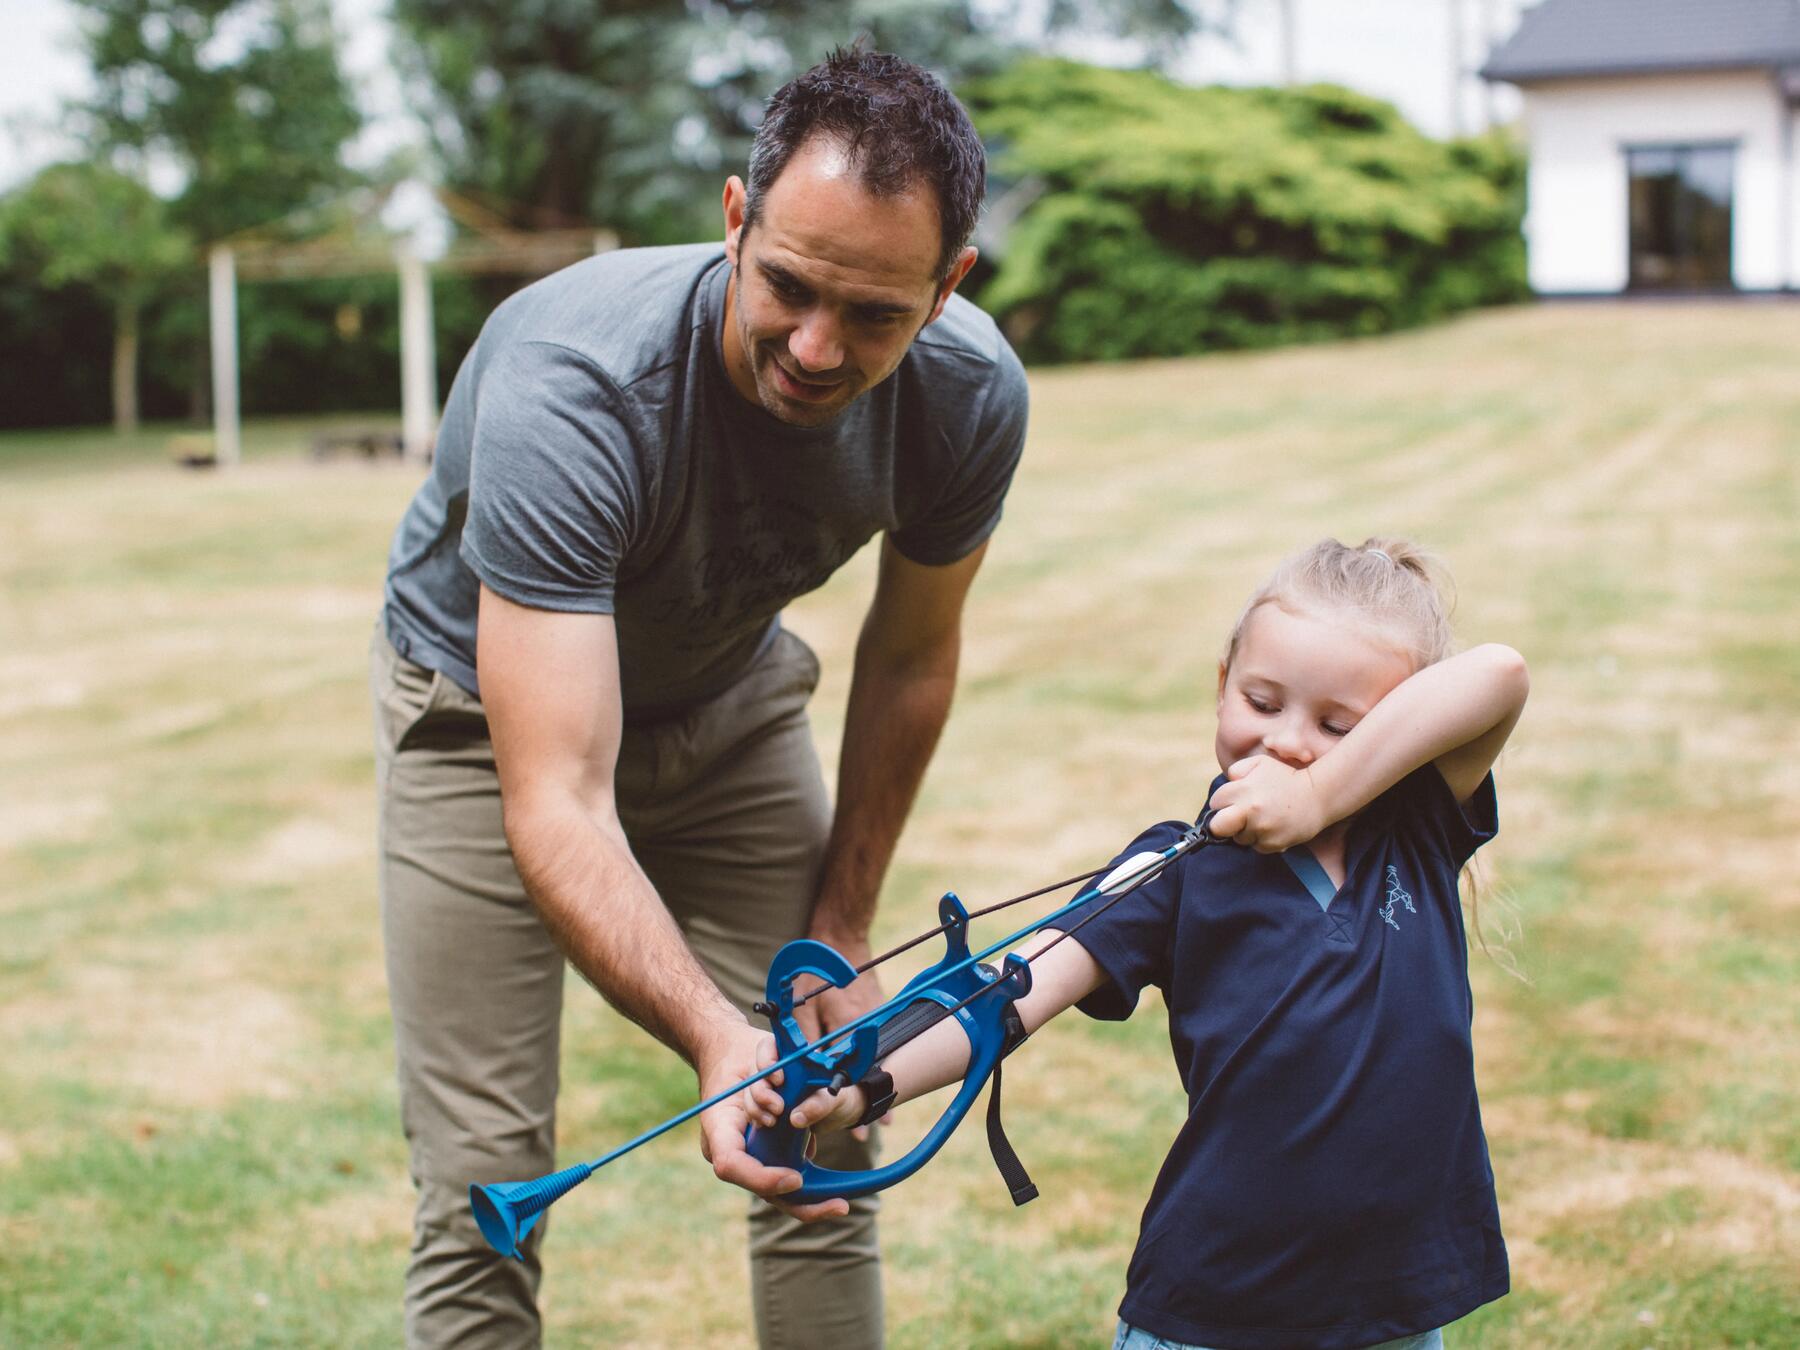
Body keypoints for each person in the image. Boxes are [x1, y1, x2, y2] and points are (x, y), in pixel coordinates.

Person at [370, 48, 1027, 1349]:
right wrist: (719, 1039)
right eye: (786, 284)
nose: (816, 346)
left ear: (948, 289)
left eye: (877, 314)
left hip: (729, 707)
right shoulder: (577, 384)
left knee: (826, 1106)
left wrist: (840, 927)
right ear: (735, 217)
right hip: (479, 729)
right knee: (483, 1186)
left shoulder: (968, 399)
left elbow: (910, 655)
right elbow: (556, 795)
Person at [757, 537, 1528, 1349]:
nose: (1289, 743)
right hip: (1217, 1308)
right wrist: (859, 1087)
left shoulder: (1416, 828)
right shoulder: (1174, 870)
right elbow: (1010, 996)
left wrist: (1317, 797)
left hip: (1391, 1313)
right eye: (1262, 703)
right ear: (1221, 684)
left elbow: (1500, 673)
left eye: (1339, 725)